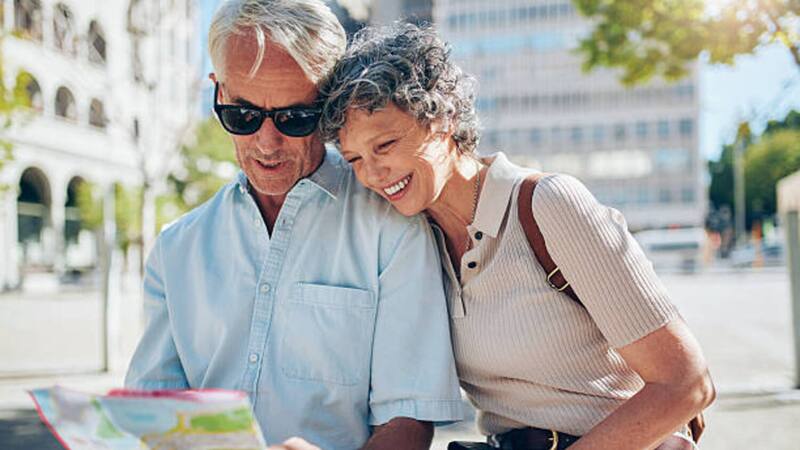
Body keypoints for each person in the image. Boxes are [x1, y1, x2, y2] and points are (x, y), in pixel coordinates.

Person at [320, 24, 716, 450]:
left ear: (443, 119)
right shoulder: (411, 239)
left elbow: (687, 384)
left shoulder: (548, 205)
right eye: (355, 159)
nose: (372, 174)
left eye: (385, 144)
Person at [124, 3, 464, 450]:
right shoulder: (176, 248)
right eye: (243, 116)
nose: (267, 144)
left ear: (329, 108)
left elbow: (408, 420)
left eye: (294, 118)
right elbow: (153, 410)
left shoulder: (392, 230)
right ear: (218, 93)